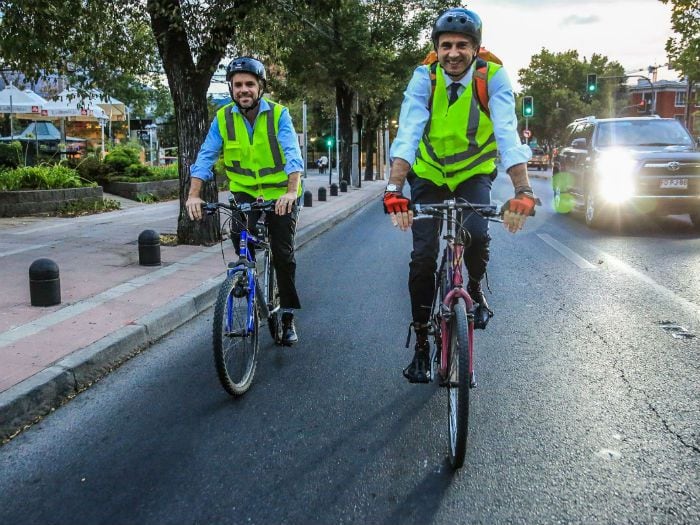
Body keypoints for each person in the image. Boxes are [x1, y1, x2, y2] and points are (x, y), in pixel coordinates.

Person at [383, 7, 539, 383]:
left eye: (462, 46)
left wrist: (523, 190)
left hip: (472, 173)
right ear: (436, 48)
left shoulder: (493, 78)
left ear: (476, 48)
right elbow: (408, 131)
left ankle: (473, 288)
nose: (453, 53)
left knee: (479, 232)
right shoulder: (425, 78)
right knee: (422, 256)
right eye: (446, 45)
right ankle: (421, 342)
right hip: (429, 174)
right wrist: (394, 188)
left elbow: (506, 131)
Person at [186, 56, 303, 345]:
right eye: (237, 85)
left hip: (280, 193)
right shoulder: (223, 119)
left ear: (260, 87)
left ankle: (287, 316)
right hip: (245, 193)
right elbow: (206, 157)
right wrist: (193, 195)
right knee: (240, 235)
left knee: (283, 253)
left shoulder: (279, 115)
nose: (243, 90)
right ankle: (244, 277)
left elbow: (292, 156)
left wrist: (290, 192)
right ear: (231, 88)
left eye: (249, 84)